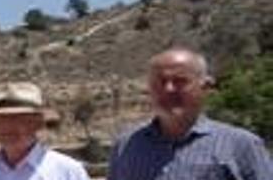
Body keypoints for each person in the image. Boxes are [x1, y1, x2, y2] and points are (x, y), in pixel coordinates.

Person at [108, 47, 273, 180]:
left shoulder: (241, 145)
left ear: (205, 87)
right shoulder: (126, 145)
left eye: (180, 81)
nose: (168, 89)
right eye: (160, 82)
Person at [0, 82, 90, 180]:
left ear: (38, 124)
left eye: (18, 120)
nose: (8, 127)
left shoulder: (67, 172)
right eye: (2, 119)